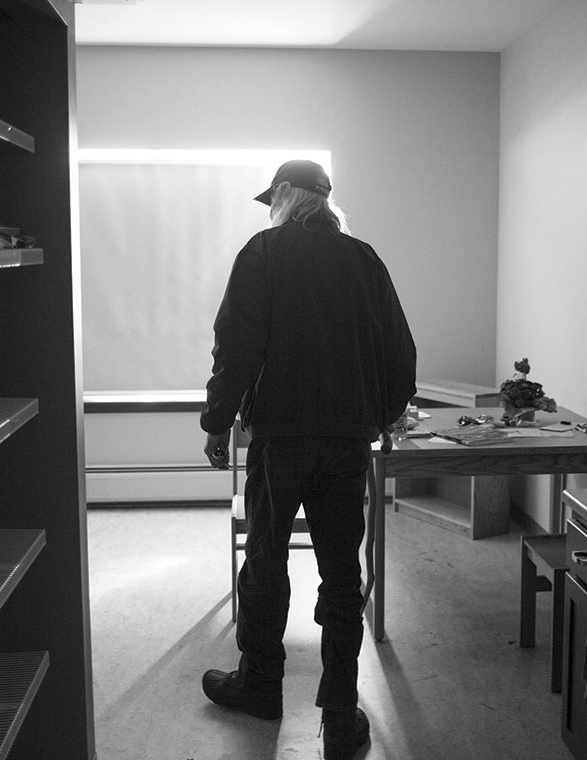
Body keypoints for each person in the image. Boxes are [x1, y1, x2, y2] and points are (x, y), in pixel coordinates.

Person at [199, 159, 417, 759]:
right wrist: (375, 415)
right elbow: (401, 353)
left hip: (281, 437)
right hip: (347, 442)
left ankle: (261, 683)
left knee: (266, 559)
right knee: (342, 572)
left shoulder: (264, 252)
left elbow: (236, 344)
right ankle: (342, 717)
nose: (271, 206)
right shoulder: (365, 260)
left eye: (274, 196)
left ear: (289, 197)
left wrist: (218, 421)